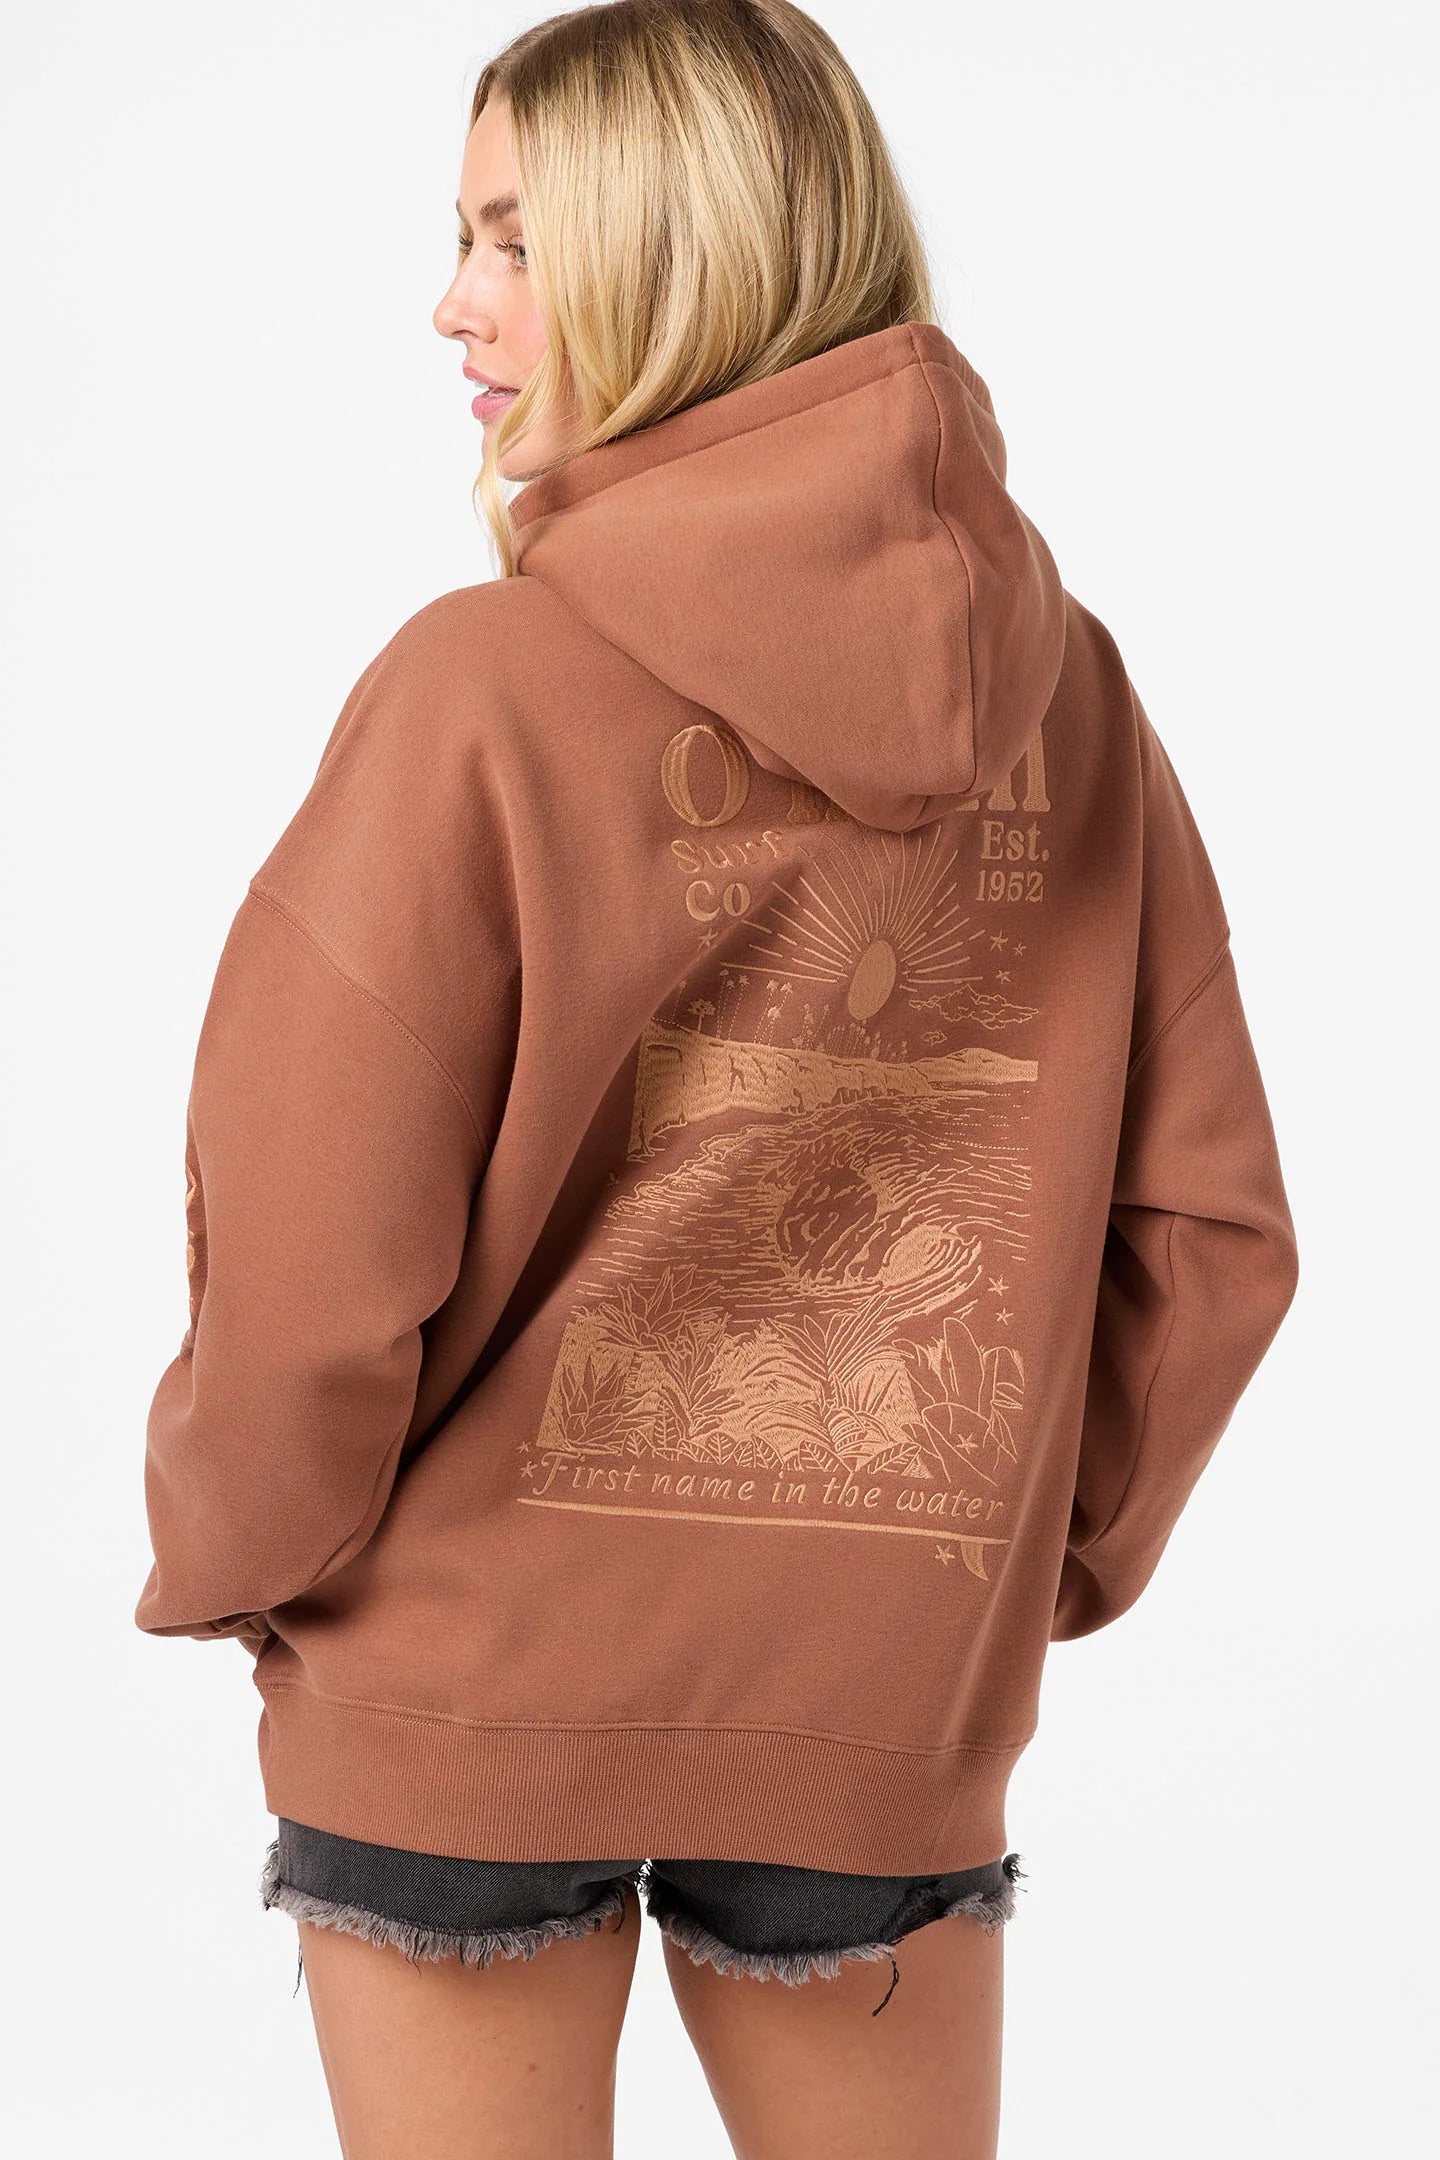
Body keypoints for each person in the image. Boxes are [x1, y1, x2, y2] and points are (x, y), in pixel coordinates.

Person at [132, 3, 1300, 2154]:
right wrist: (985, 1569)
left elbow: (311, 1246)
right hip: (880, 1690)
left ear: (680, 263)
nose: (454, 303)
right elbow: (1211, 1237)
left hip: (459, 1686)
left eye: (514, 239)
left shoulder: (481, 690)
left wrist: (232, 1551)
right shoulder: (1076, 703)